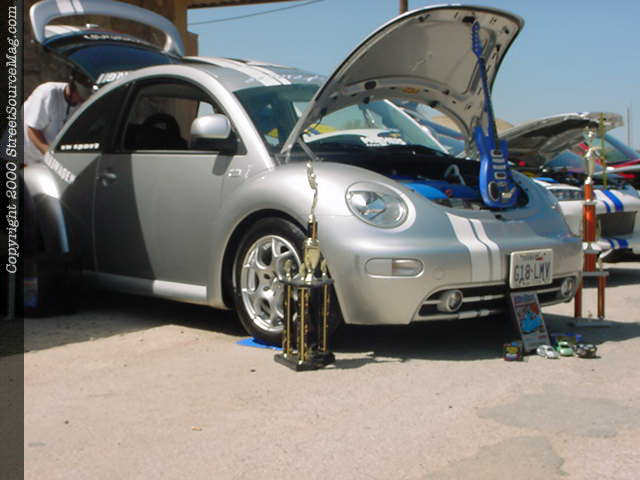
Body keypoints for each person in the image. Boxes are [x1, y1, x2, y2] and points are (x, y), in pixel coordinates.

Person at [22, 70, 93, 166]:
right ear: (72, 87)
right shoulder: (48, 93)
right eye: (80, 95)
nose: (82, 100)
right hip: (22, 155)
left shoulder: (83, 103)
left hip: (43, 162)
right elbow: (32, 130)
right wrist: (50, 155)